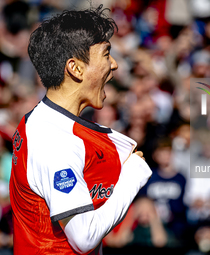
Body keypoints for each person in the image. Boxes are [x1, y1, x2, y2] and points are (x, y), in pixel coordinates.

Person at [9, 5, 152, 255]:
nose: (115, 65)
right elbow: (84, 237)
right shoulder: (54, 141)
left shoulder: (44, 121)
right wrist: (131, 177)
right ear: (75, 69)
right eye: (106, 54)